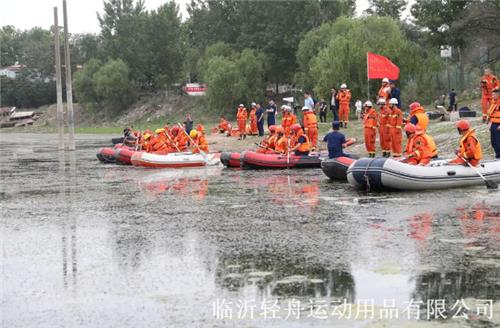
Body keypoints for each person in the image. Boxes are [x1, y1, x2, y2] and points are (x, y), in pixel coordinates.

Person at [487, 87, 500, 158]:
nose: (492, 96)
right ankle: (497, 155)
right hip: (493, 124)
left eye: (494, 95)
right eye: (492, 95)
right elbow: (490, 115)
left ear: (498, 95)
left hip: (498, 125)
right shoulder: (493, 103)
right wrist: (489, 123)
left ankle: (499, 157)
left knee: (498, 142)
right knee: (493, 142)